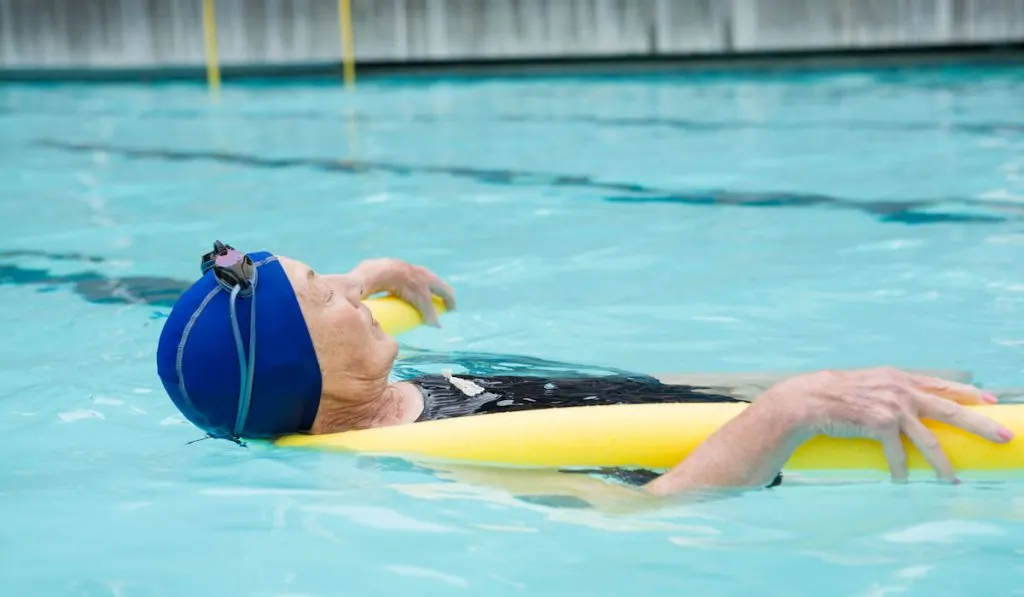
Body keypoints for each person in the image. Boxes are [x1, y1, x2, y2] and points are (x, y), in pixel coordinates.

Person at [156, 242, 1014, 496]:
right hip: (776, 454)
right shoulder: (445, 463)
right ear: (307, 365)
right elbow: (646, 508)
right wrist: (793, 407)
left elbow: (308, 338)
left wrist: (372, 278)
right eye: (328, 292)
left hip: (700, 397)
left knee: (948, 375)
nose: (355, 287)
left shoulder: (357, 389)